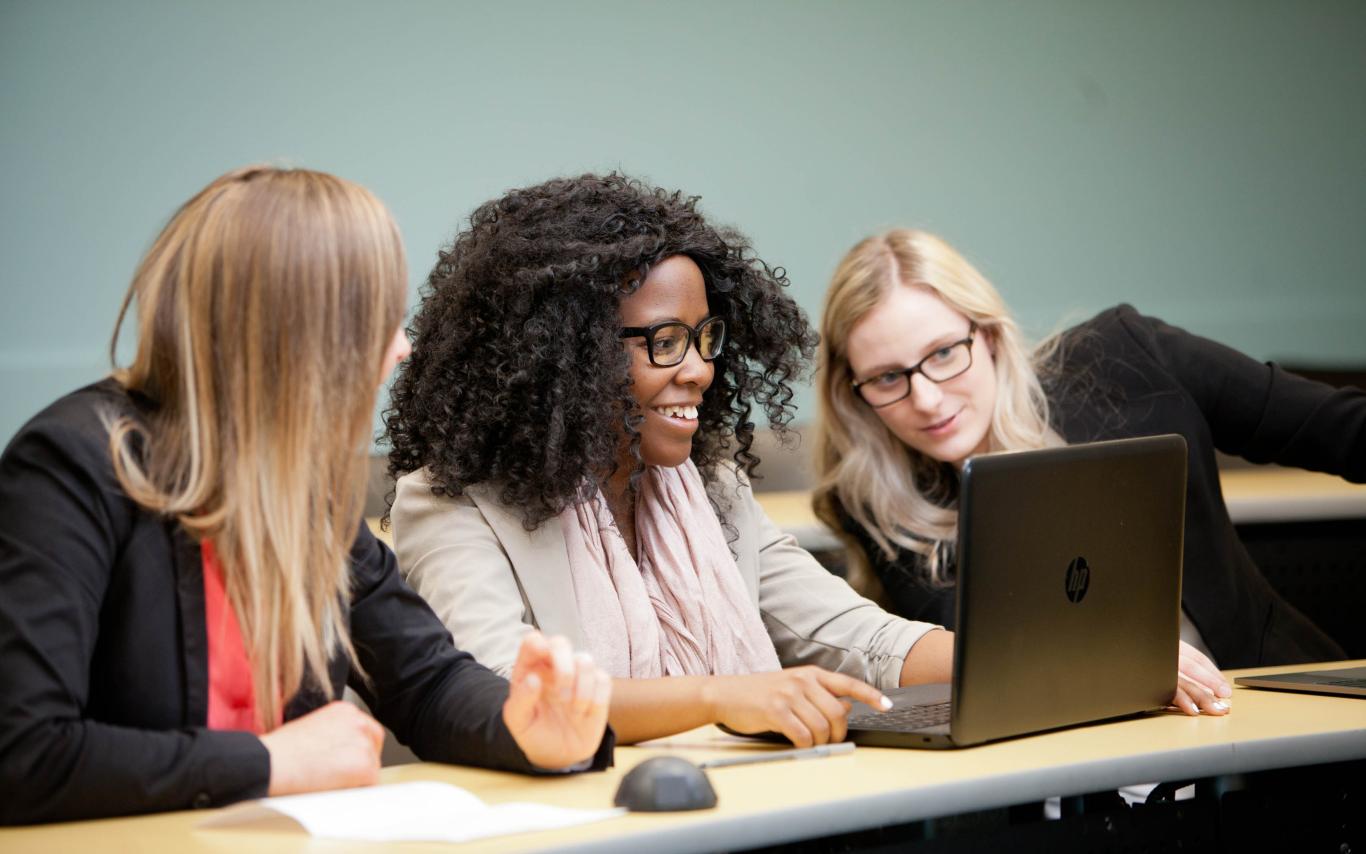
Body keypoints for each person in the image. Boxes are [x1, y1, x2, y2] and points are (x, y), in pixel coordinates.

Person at [0, 167, 613, 826]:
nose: (402, 349)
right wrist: (269, 762)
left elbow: (426, 681)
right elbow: (24, 753)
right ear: (303, 338)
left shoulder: (297, 489)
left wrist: (526, 727)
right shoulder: (71, 465)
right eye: (380, 322)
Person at [385, 173, 957, 748]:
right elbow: (504, 693)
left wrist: (1008, 654)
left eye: (704, 337)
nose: (699, 370)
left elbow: (857, 637)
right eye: (664, 342)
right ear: (569, 356)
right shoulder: (453, 506)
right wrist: (719, 696)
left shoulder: (713, 489)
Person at [811, 228, 1364, 691]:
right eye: (888, 377)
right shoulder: (875, 500)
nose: (926, 399)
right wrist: (1128, 659)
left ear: (992, 335)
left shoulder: (1126, 358)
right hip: (1087, 764)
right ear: (852, 391)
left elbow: (1339, 429)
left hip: (1269, 705)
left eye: (944, 353)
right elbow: (990, 659)